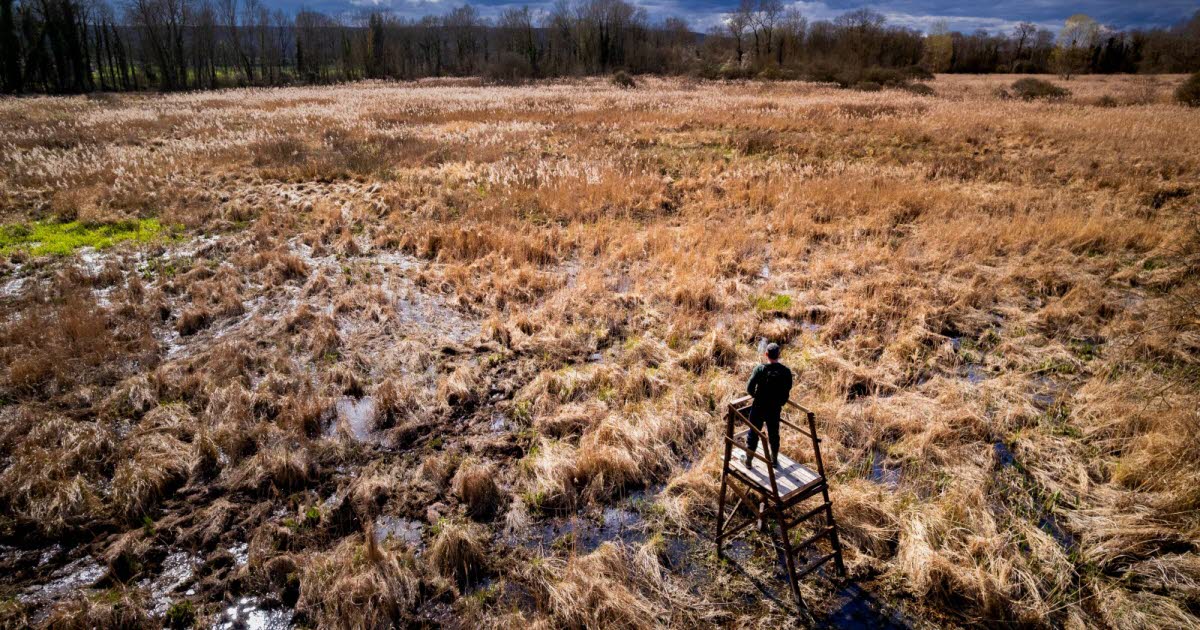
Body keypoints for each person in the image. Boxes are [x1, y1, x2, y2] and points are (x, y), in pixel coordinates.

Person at [744, 342, 792, 468]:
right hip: (774, 408)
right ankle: (774, 460)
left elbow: (749, 388)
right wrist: (780, 402)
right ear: (779, 355)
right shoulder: (786, 372)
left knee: (753, 433)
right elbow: (787, 391)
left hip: (759, 406)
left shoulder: (760, 369)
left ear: (766, 354)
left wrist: (756, 396)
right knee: (773, 434)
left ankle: (748, 461)